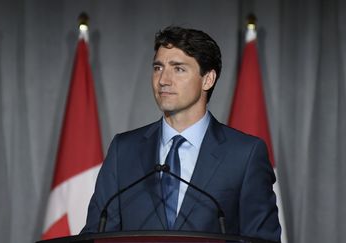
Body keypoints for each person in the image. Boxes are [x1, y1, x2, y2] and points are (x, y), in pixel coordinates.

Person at [81, 26, 281, 242]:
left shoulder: (245, 154)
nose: (163, 80)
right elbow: (97, 235)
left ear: (208, 79)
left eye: (178, 69)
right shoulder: (124, 150)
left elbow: (262, 239)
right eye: (158, 68)